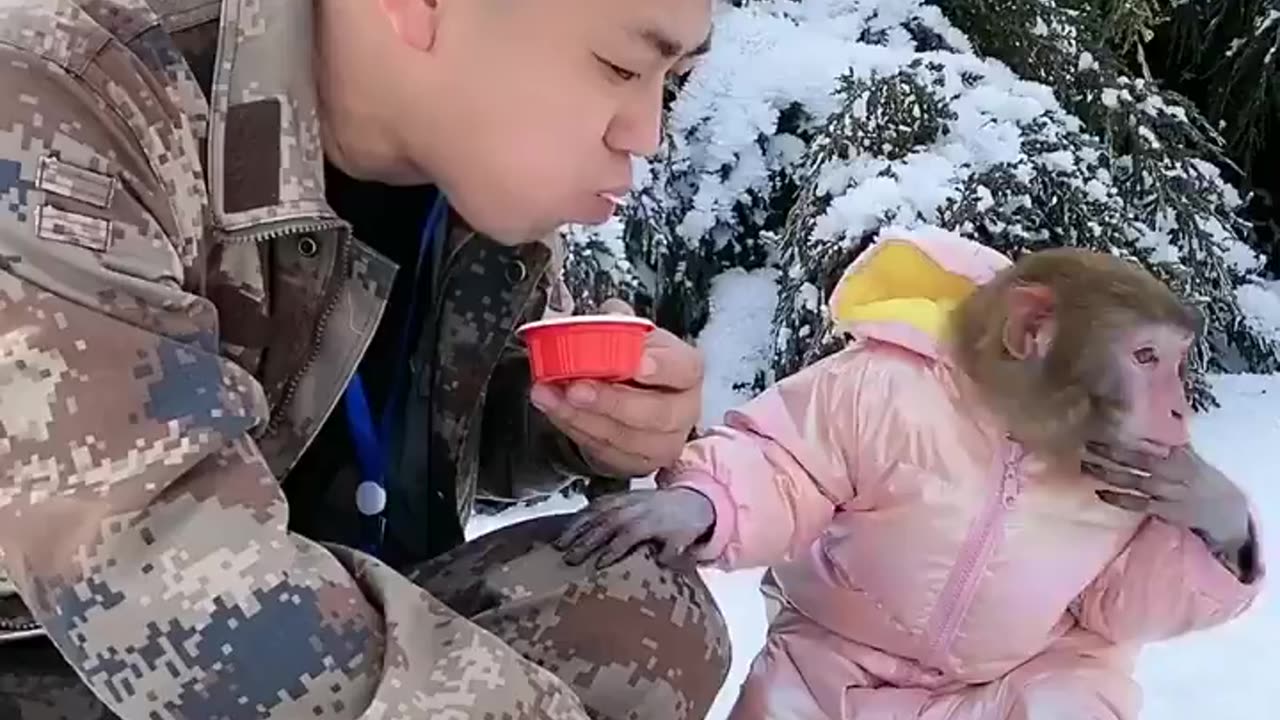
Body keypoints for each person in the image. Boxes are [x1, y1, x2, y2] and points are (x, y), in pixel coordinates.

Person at [0, 0, 730, 718]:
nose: (647, 133)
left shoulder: (467, 167)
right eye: (620, 66)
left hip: (311, 616)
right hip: (77, 655)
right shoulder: (63, 94)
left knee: (643, 617)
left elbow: (358, 423)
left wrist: (573, 422)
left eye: (672, 82)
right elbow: (156, 574)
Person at [558, 232, 1264, 719]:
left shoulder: (1124, 459)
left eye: (1176, 364)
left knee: (1074, 700)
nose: (1176, 401)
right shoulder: (888, 387)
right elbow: (787, 460)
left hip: (1017, 677)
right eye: (1145, 359)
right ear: (1033, 332)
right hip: (838, 662)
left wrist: (1221, 532)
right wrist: (703, 502)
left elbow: (1117, 603)